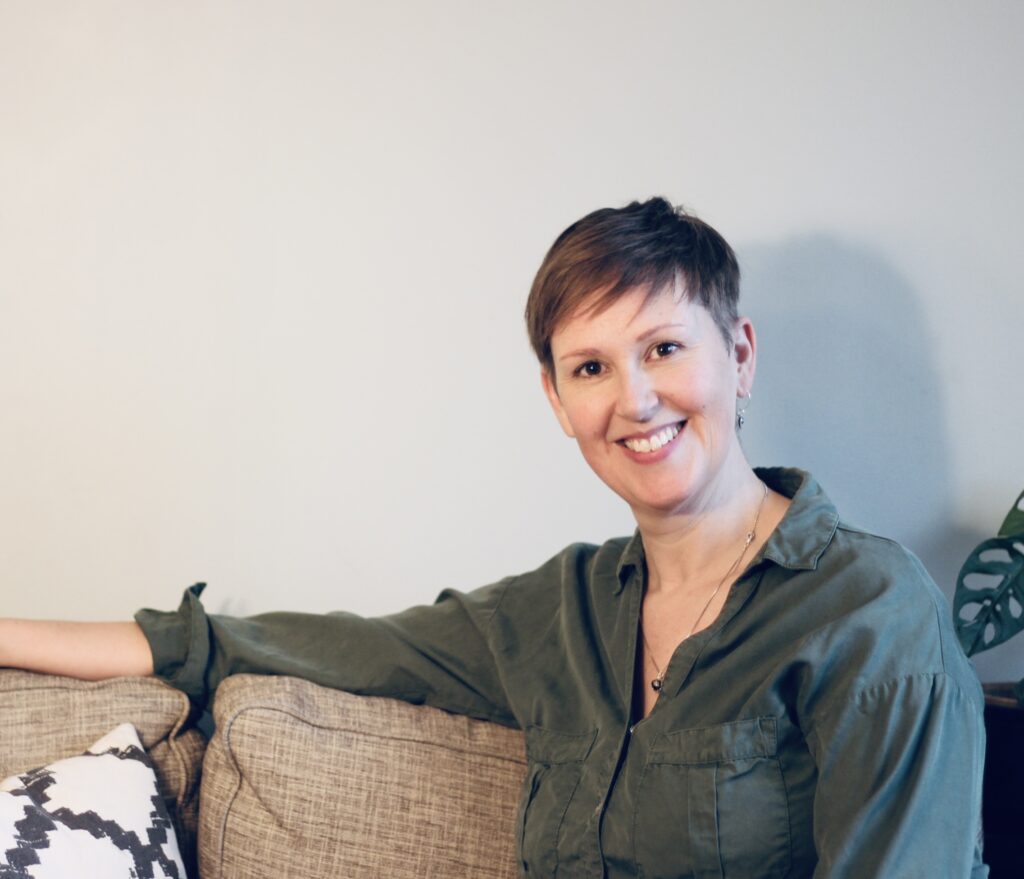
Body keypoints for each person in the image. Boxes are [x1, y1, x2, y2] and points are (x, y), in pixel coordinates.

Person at [1, 197, 987, 877]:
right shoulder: (558, 613)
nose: (635, 399)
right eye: (590, 368)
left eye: (663, 348)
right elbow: (278, 645)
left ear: (738, 354)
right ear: (556, 399)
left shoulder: (868, 611)